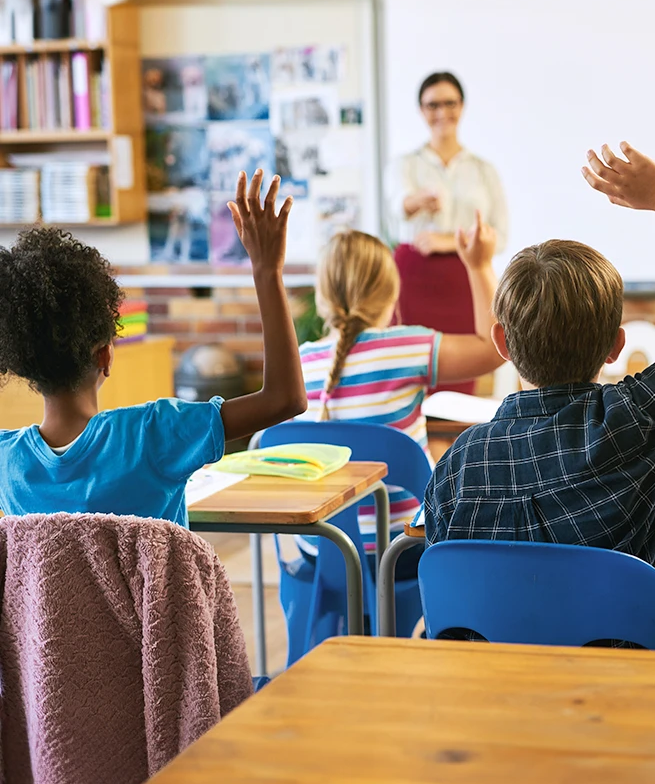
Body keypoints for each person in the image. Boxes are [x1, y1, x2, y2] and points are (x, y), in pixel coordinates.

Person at [420, 142, 655, 652]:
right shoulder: (635, 426)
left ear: (502, 345)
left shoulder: (456, 469)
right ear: (616, 346)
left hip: (499, 711)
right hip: (641, 708)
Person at [0, 169, 307, 526]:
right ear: (105, 355)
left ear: (22, 365)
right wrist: (266, 271)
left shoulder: (8, 463)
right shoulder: (154, 434)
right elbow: (286, 399)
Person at [297, 212, 504, 573]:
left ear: (322, 296)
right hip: (400, 551)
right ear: (391, 294)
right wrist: (479, 264)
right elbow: (495, 347)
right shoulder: (406, 347)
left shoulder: (300, 363)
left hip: (320, 553)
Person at [386, 71, 508, 394]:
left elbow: (500, 233)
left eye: (450, 103)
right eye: (433, 105)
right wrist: (417, 201)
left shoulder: (483, 170)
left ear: (462, 106)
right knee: (409, 369)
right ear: (421, 110)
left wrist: (447, 241)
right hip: (414, 279)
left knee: (464, 372)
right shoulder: (404, 165)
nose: (442, 112)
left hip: (465, 278)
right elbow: (397, 207)